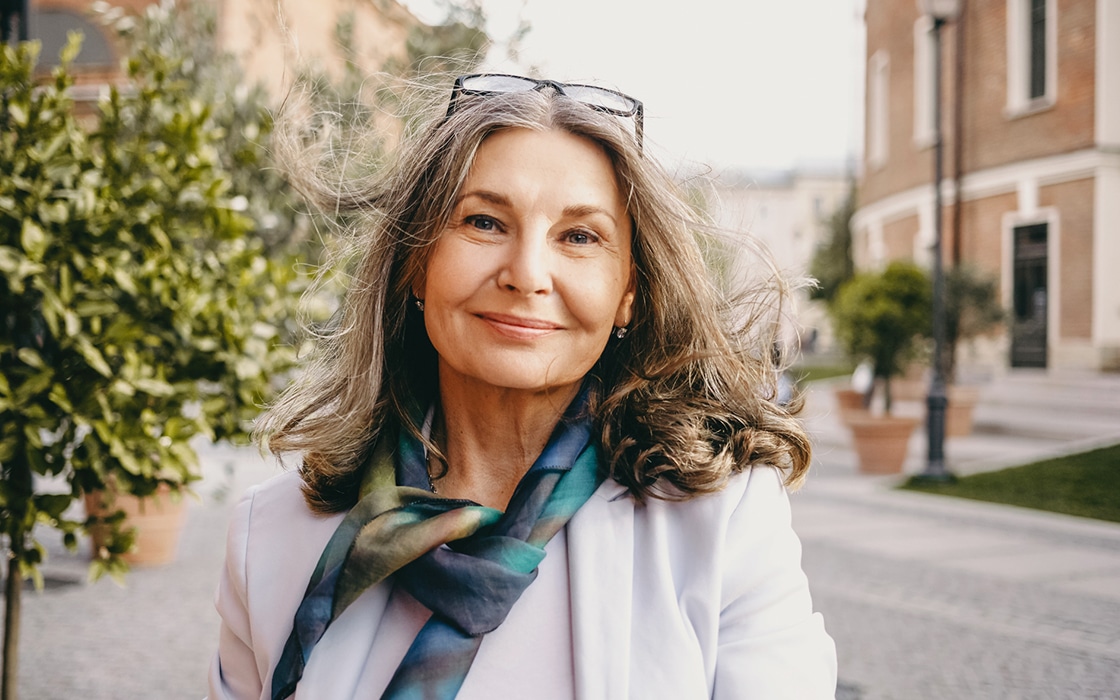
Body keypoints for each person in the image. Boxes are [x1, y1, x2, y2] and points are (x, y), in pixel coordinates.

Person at [207, 73, 837, 700]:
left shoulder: (722, 521)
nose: (528, 273)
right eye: (483, 222)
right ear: (415, 265)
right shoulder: (271, 536)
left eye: (580, 237)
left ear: (628, 294)